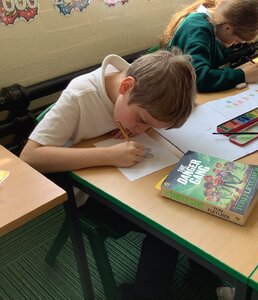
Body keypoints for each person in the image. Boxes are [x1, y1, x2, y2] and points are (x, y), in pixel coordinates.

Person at [20, 48, 197, 299]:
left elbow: (138, 119)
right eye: (141, 119)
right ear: (126, 86)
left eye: (150, 126)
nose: (141, 128)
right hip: (86, 194)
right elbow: (30, 157)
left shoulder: (135, 95)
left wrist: (131, 125)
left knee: (187, 200)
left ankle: (199, 267)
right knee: (166, 227)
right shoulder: (80, 95)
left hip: (125, 178)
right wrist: (109, 155)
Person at [160, 0, 258, 92]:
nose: (235, 44)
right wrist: (241, 75)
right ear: (227, 28)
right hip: (174, 90)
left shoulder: (215, 25)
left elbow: (212, 59)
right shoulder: (198, 30)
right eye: (238, 41)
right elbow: (197, 78)